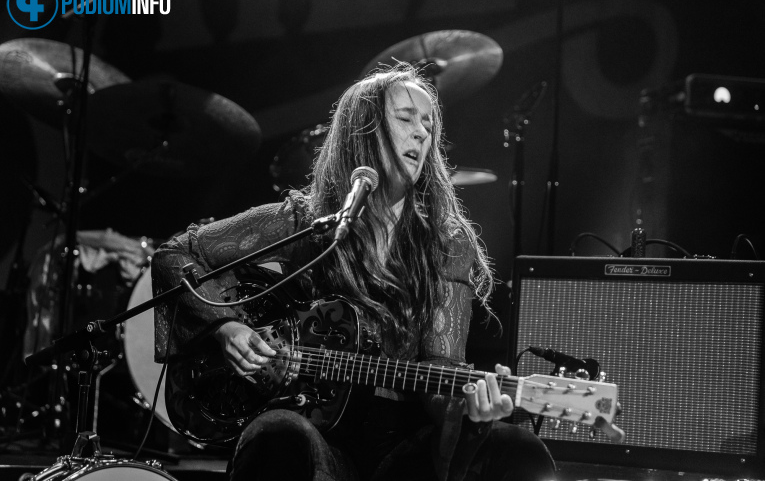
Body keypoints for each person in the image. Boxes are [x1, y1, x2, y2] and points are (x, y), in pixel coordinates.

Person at [151, 64, 556, 481]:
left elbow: (442, 368)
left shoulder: (446, 242)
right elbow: (175, 253)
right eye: (404, 118)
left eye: (428, 124)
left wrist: (468, 405)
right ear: (362, 131)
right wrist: (226, 327)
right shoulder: (307, 221)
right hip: (318, 436)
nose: (421, 132)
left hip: (404, 448)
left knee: (517, 449)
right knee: (277, 432)